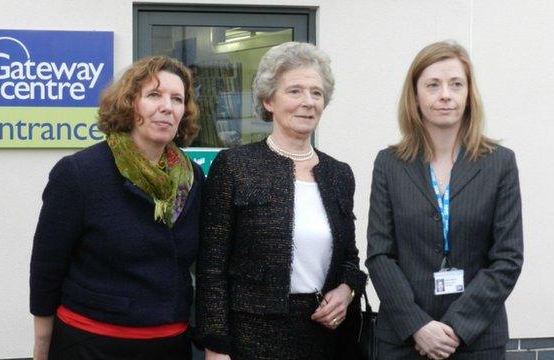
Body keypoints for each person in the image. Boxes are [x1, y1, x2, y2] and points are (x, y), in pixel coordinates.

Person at [195, 42, 367, 360]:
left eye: (316, 93)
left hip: (323, 340)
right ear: (268, 100)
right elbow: (211, 267)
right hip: (250, 340)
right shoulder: (234, 166)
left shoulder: (339, 174)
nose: (308, 102)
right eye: (295, 91)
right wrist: (215, 345)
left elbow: (350, 259)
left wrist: (347, 290)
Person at [30, 56, 203, 360]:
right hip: (91, 345)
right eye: (154, 95)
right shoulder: (79, 173)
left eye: (177, 99)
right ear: (129, 104)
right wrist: (42, 344)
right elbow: (47, 267)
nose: (167, 107)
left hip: (171, 345)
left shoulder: (192, 177)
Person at [366, 41, 523, 360]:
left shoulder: (500, 163)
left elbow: (507, 257)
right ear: (415, 95)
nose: (445, 95)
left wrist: (456, 327)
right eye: (433, 85)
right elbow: (380, 254)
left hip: (476, 340)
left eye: (456, 84)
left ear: (469, 93)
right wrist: (418, 326)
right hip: (404, 340)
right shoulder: (389, 163)